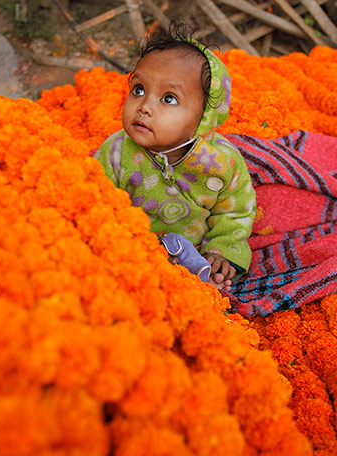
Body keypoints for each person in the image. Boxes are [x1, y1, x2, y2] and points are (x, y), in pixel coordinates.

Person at [94, 23, 256, 291]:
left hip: (195, 253)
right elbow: (97, 203)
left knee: (205, 282)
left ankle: (208, 277)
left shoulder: (223, 163)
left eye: (169, 99)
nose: (144, 106)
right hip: (135, 250)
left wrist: (222, 252)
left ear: (203, 117)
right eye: (138, 89)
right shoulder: (114, 152)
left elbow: (236, 212)